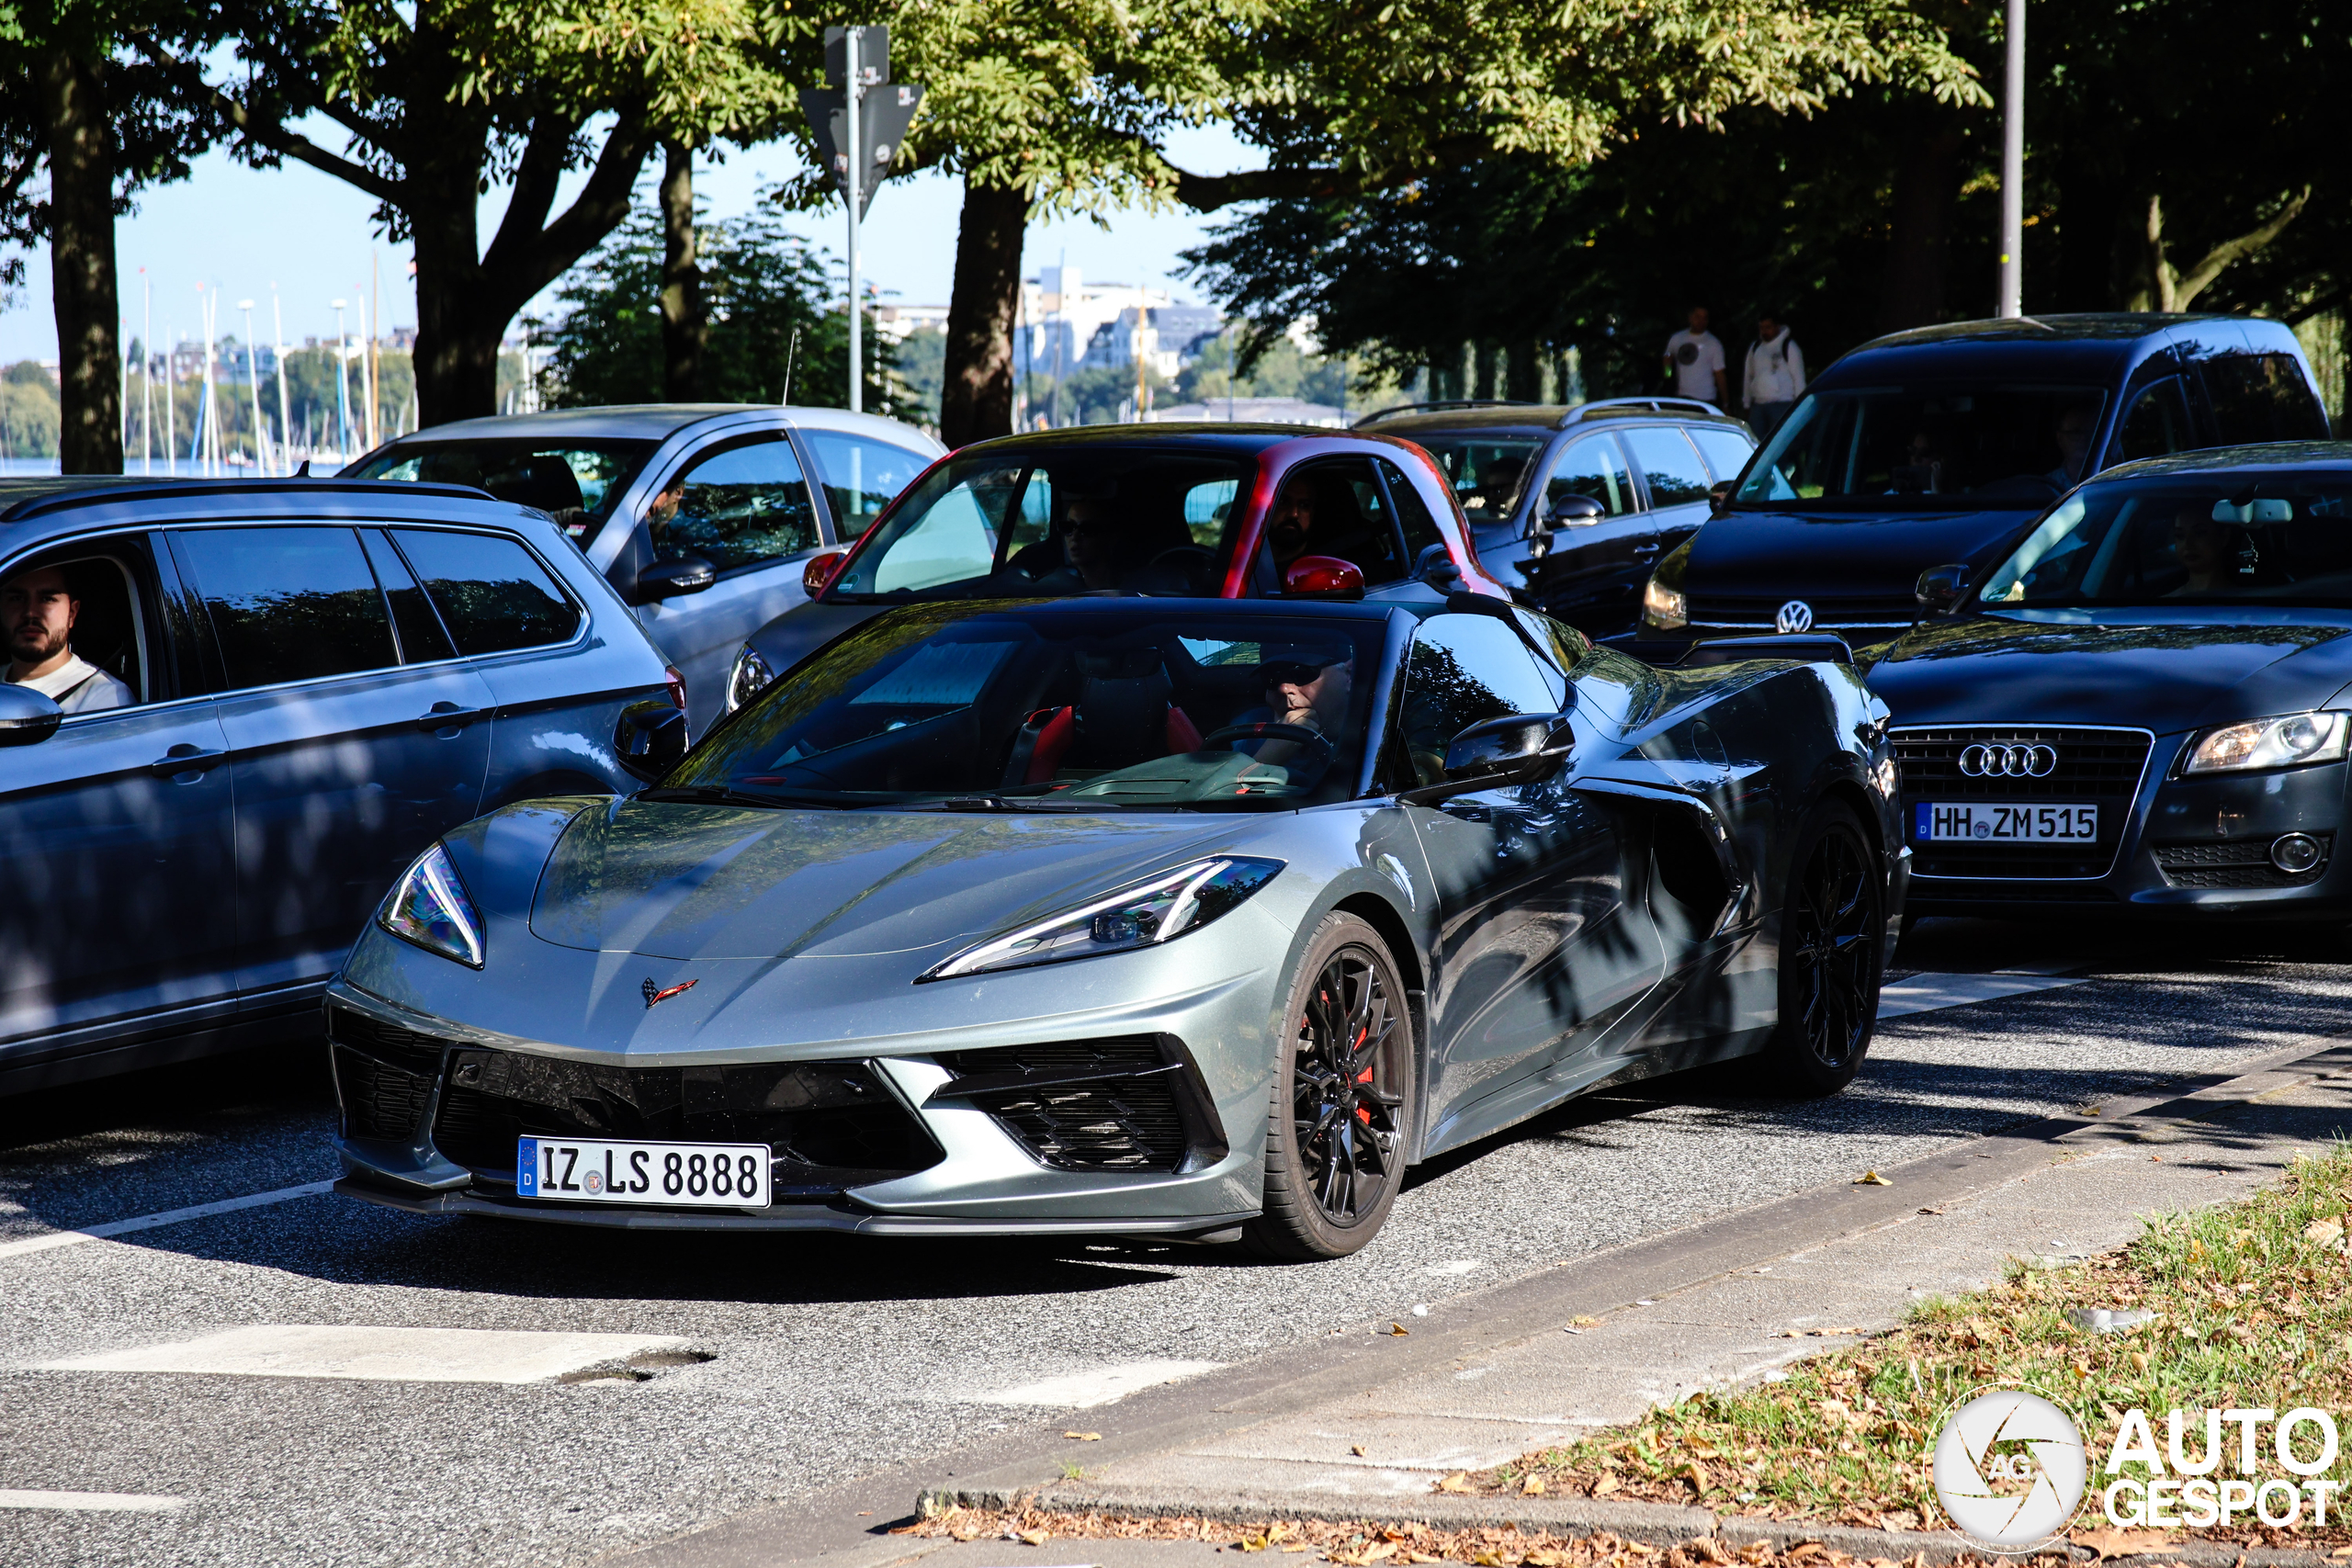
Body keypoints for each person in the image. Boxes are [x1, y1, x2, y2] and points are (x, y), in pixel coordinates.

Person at [3, 565, 132, 713]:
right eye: (17, 598)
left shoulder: (104, 699)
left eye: (47, 599)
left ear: (72, 613)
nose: (30, 613)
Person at [1227, 646, 1356, 784]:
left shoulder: (1372, 740)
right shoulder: (1246, 731)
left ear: (1349, 674)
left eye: (1302, 674)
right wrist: (1267, 757)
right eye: (1271, 679)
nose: (1284, 689)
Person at [1742, 315, 1805, 439]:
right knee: (1755, 444)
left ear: (1777, 327)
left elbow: (1798, 378)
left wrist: (1799, 406)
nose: (1764, 331)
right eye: (1762, 328)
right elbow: (1748, 377)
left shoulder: (1788, 346)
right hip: (1759, 405)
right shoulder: (1755, 348)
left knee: (1779, 442)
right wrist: (1746, 404)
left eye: (1768, 327)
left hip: (1782, 404)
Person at [1663, 306, 1728, 406]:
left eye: (1704, 318)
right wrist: (1668, 376)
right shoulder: (1677, 338)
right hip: (1682, 397)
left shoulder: (1713, 343)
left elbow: (1719, 374)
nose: (1701, 321)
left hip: (1706, 398)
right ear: (1690, 318)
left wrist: (1725, 402)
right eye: (1697, 317)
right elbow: (1667, 357)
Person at [2166, 506, 2237, 595]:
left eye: (2199, 533)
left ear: (2224, 537)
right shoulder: (2160, 606)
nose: (2188, 544)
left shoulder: (2246, 603)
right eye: (2180, 535)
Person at [2044, 402, 2099, 491]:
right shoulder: (2047, 485)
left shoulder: (2110, 481)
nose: (2084, 438)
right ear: (2060, 439)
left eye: (2090, 431)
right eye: (2076, 432)